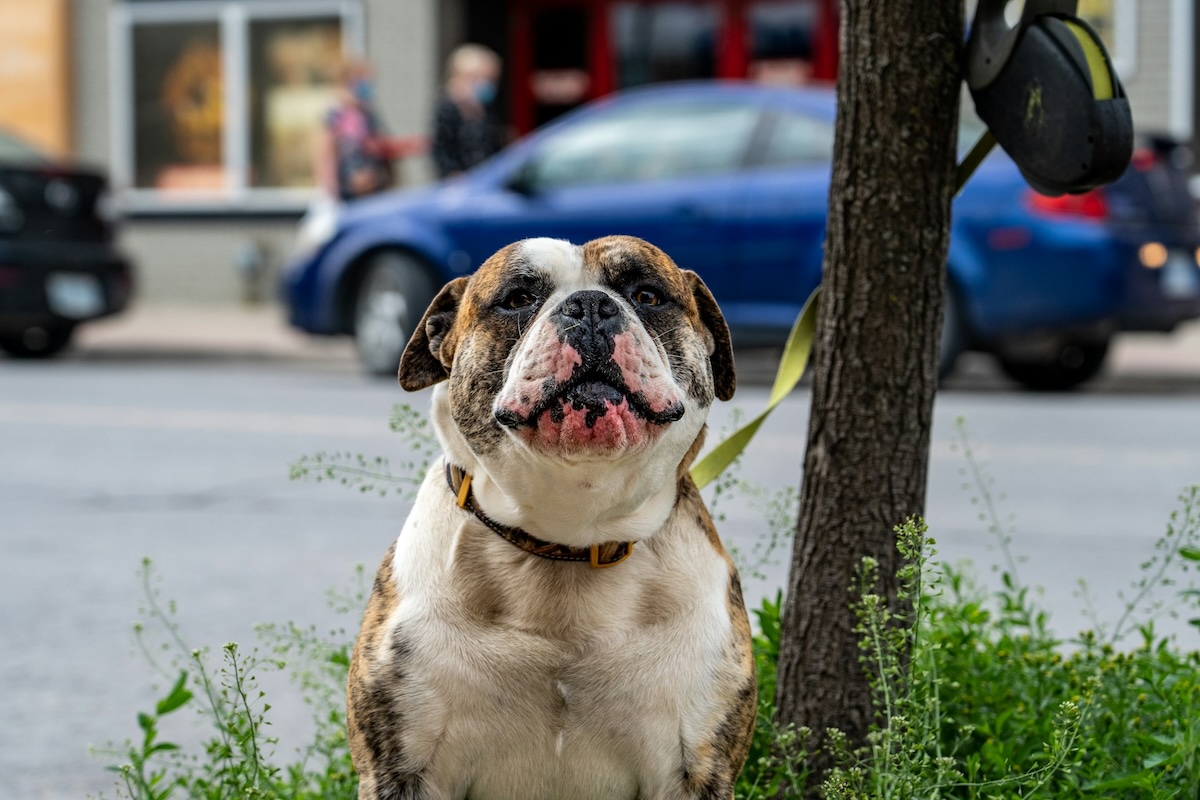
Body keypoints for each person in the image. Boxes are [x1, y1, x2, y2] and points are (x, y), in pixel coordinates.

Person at [317, 60, 408, 201]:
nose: (369, 89)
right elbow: (325, 154)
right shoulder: (336, 114)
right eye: (364, 84)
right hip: (349, 193)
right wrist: (330, 190)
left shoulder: (367, 114)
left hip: (373, 189)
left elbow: (380, 146)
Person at [431, 44, 503, 179]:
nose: (485, 84)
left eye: (490, 79)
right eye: (478, 78)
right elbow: (440, 148)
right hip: (459, 181)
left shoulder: (487, 108)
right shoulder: (447, 108)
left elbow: (492, 145)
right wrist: (451, 172)